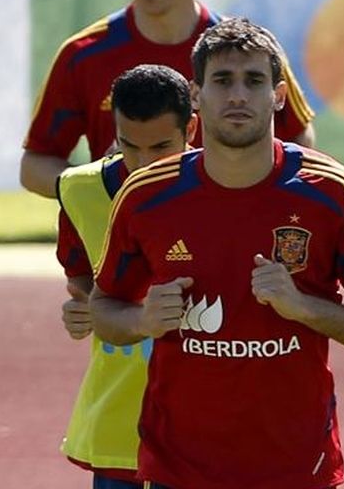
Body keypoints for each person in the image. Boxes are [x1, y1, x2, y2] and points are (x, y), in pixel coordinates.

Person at [89, 17, 344, 489]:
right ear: (195, 95)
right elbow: (103, 309)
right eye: (222, 80)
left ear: (278, 95)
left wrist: (305, 308)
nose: (238, 95)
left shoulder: (337, 193)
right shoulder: (145, 194)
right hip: (179, 471)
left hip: (295, 471)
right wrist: (141, 320)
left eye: (254, 81)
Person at [20, 0, 316, 198]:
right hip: (121, 231)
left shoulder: (246, 50)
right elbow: (35, 165)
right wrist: (97, 186)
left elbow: (299, 137)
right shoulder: (83, 54)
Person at [57, 64, 197, 488]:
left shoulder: (227, 189)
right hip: (120, 428)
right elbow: (82, 281)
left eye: (161, 147)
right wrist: (83, 309)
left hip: (208, 431)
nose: (144, 163)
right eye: (129, 145)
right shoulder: (79, 190)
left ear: (191, 130)